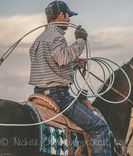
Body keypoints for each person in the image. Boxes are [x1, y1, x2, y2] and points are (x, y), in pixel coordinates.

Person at [29, 1, 112, 155]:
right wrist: (80, 41)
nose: (69, 20)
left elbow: (51, 65)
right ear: (61, 15)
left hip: (39, 93)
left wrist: (72, 64)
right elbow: (62, 57)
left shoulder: (38, 39)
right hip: (58, 95)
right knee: (99, 128)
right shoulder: (57, 36)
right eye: (68, 16)